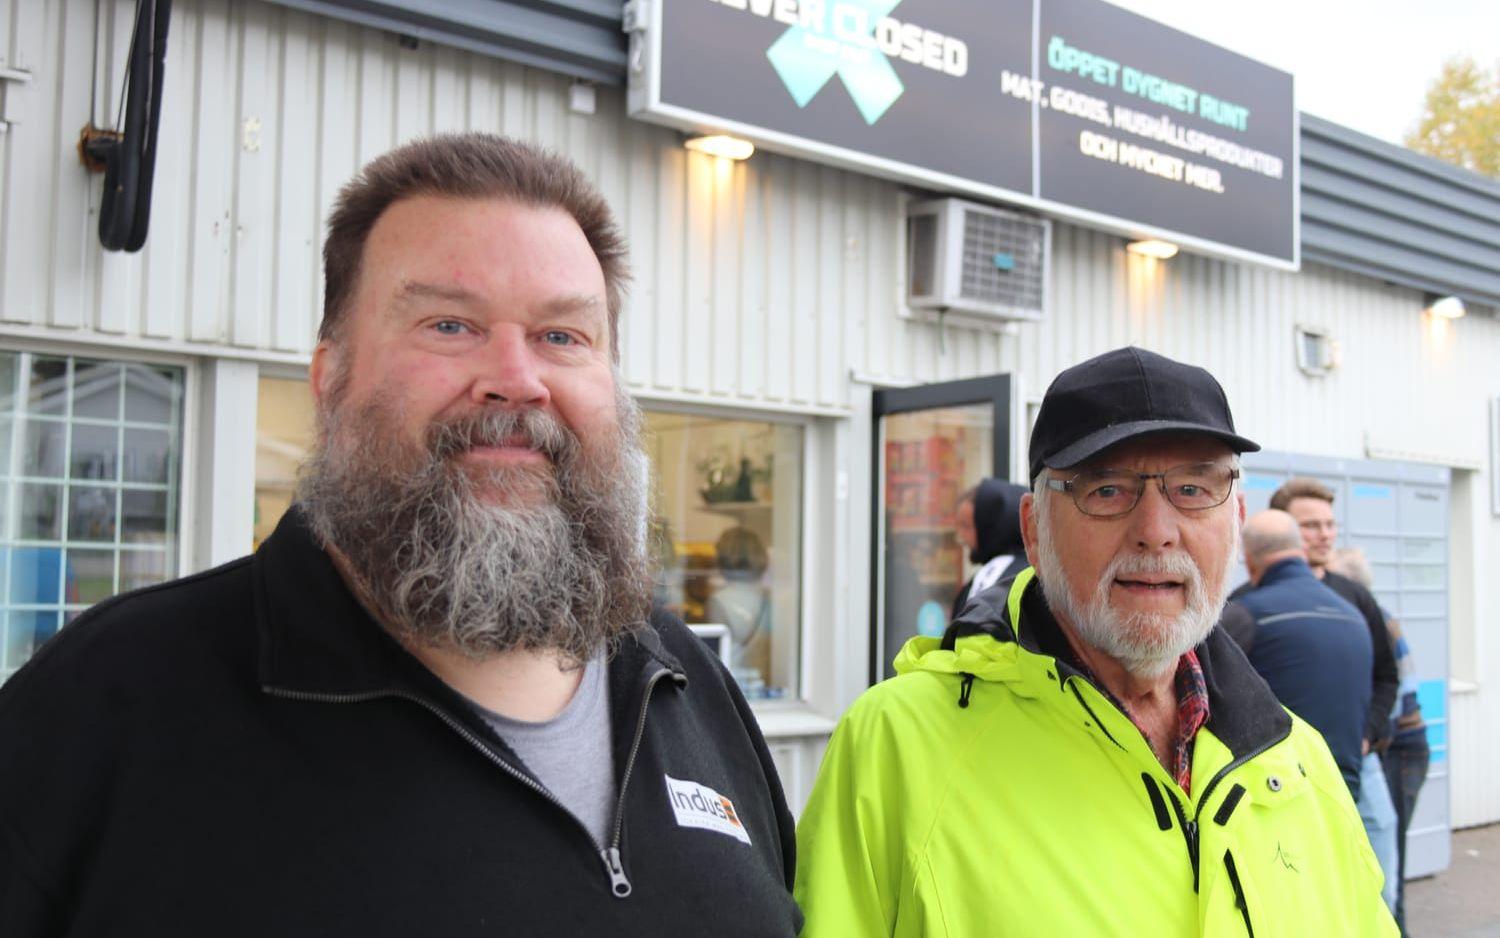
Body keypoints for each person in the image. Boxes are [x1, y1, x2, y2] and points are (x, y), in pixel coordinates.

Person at [0, 134, 801, 936]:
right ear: (330, 381)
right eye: (450, 325)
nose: (516, 379)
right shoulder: (108, 706)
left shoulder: (687, 682)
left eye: (563, 336)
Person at [795, 346, 1394, 936]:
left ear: (1235, 520)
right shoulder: (897, 747)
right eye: (1105, 490)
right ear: (1034, 530)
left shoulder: (1296, 760)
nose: (1156, 533)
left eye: (1192, 489)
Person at [1263, 476, 1401, 912]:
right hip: (1287, 770)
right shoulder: (1252, 601)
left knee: (1381, 882)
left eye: (1329, 524)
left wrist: (1367, 734)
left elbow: (1387, 676)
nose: (1324, 534)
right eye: (1310, 525)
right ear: (1283, 531)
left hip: (1361, 763)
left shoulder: (1357, 597)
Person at [1223, 510, 1372, 798]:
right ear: (1301, 549)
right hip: (1344, 790)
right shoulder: (1352, 614)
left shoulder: (1245, 613)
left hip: (1280, 792)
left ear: (1249, 558)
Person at [1331, 547, 1429, 935]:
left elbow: (1398, 689)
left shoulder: (1376, 622)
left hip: (1400, 750)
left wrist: (1364, 732)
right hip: (1390, 746)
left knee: (1390, 856)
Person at [950, 478, 1029, 618]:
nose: (961, 537)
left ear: (989, 527)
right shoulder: (1036, 572)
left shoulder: (993, 576)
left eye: (967, 526)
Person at [705, 525, 773, 686]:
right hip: (764, 682)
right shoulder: (769, 599)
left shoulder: (718, 602)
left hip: (731, 684)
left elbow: (713, 655)